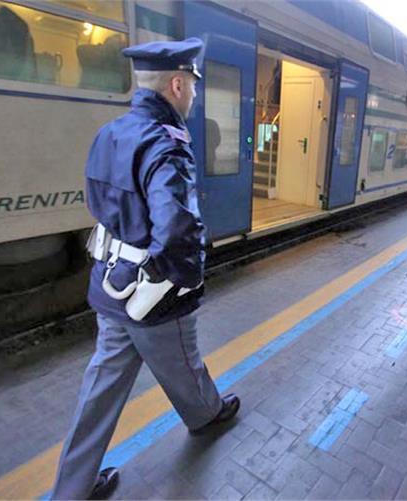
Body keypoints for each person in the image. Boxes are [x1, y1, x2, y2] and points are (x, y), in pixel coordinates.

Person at [51, 38, 240, 500]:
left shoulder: (110, 133)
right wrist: (183, 282)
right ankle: (206, 416)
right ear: (177, 84)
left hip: (111, 282)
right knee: (183, 362)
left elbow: (97, 202)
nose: (193, 94)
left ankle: (71, 489)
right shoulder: (166, 143)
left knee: (101, 387)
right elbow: (176, 225)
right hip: (151, 293)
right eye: (192, 84)